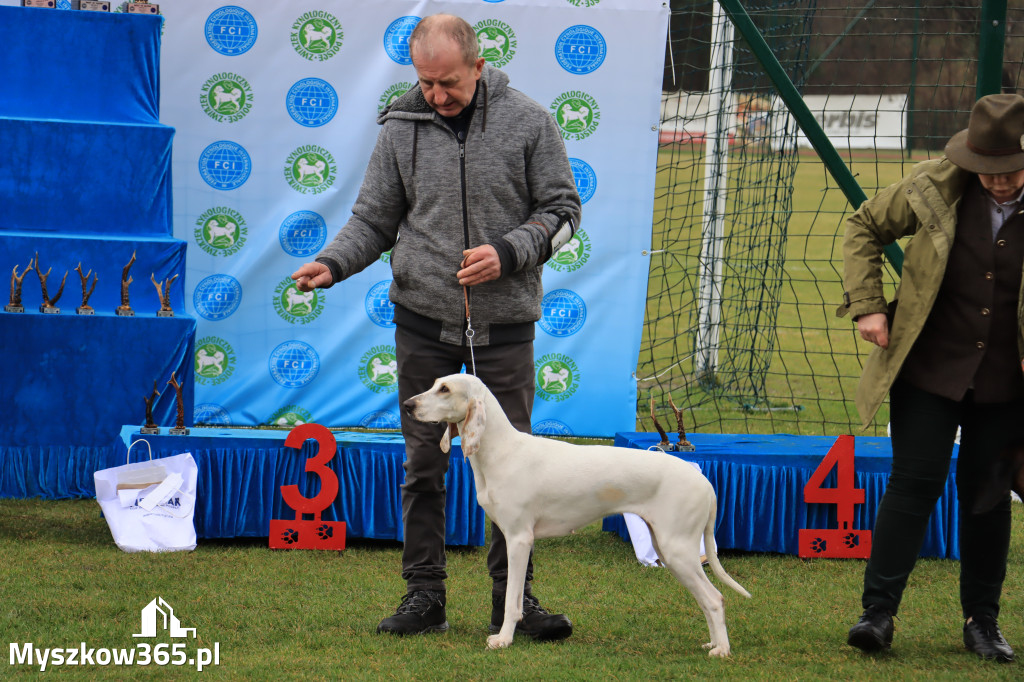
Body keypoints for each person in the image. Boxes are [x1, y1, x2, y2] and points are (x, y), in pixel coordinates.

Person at [291, 14, 581, 639]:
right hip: (423, 325)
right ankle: (424, 596)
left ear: (479, 67)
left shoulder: (531, 121)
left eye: (448, 82)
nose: (436, 96)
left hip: (504, 329)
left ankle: (516, 602)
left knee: (513, 471)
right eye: (426, 83)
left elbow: (563, 214)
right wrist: (333, 263)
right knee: (424, 467)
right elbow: (373, 219)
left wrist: (509, 252)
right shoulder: (400, 128)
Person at [839, 93, 1024, 663]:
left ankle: (982, 623)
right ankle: (877, 614)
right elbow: (863, 225)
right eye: (984, 168)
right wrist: (869, 304)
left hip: (1006, 379)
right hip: (928, 366)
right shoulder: (933, 184)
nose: (994, 181)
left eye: (1008, 170)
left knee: (988, 496)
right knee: (912, 483)